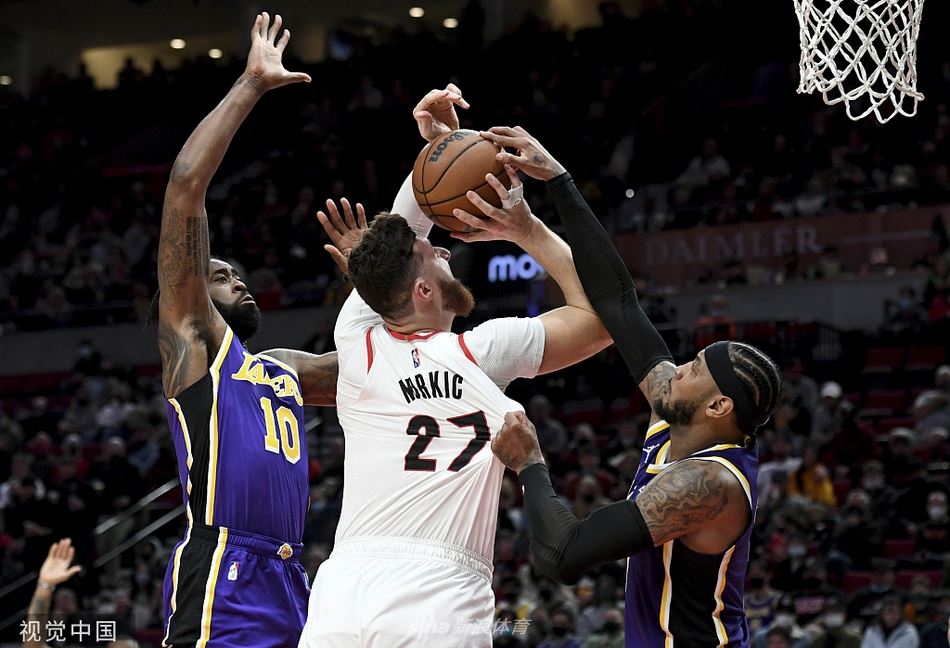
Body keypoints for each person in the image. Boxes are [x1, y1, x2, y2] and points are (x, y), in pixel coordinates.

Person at [298, 89, 611, 647]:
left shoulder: (359, 340)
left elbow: (401, 240)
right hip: (439, 589)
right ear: (423, 290)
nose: (443, 250)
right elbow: (600, 317)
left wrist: (440, 150)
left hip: (343, 589)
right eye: (435, 255)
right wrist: (526, 229)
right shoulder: (481, 352)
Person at [484, 126, 783, 647]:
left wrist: (529, 464)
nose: (677, 368)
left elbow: (563, 555)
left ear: (718, 406)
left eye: (694, 369)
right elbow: (619, 301)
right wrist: (556, 184)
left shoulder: (709, 484)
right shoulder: (677, 412)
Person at [153, 14, 337, 647]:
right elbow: (185, 187)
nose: (238, 279)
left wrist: (397, 242)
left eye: (238, 273)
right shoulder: (196, 349)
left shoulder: (282, 368)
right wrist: (252, 85)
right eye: (220, 274)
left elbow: (379, 366)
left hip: (289, 573)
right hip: (224, 566)